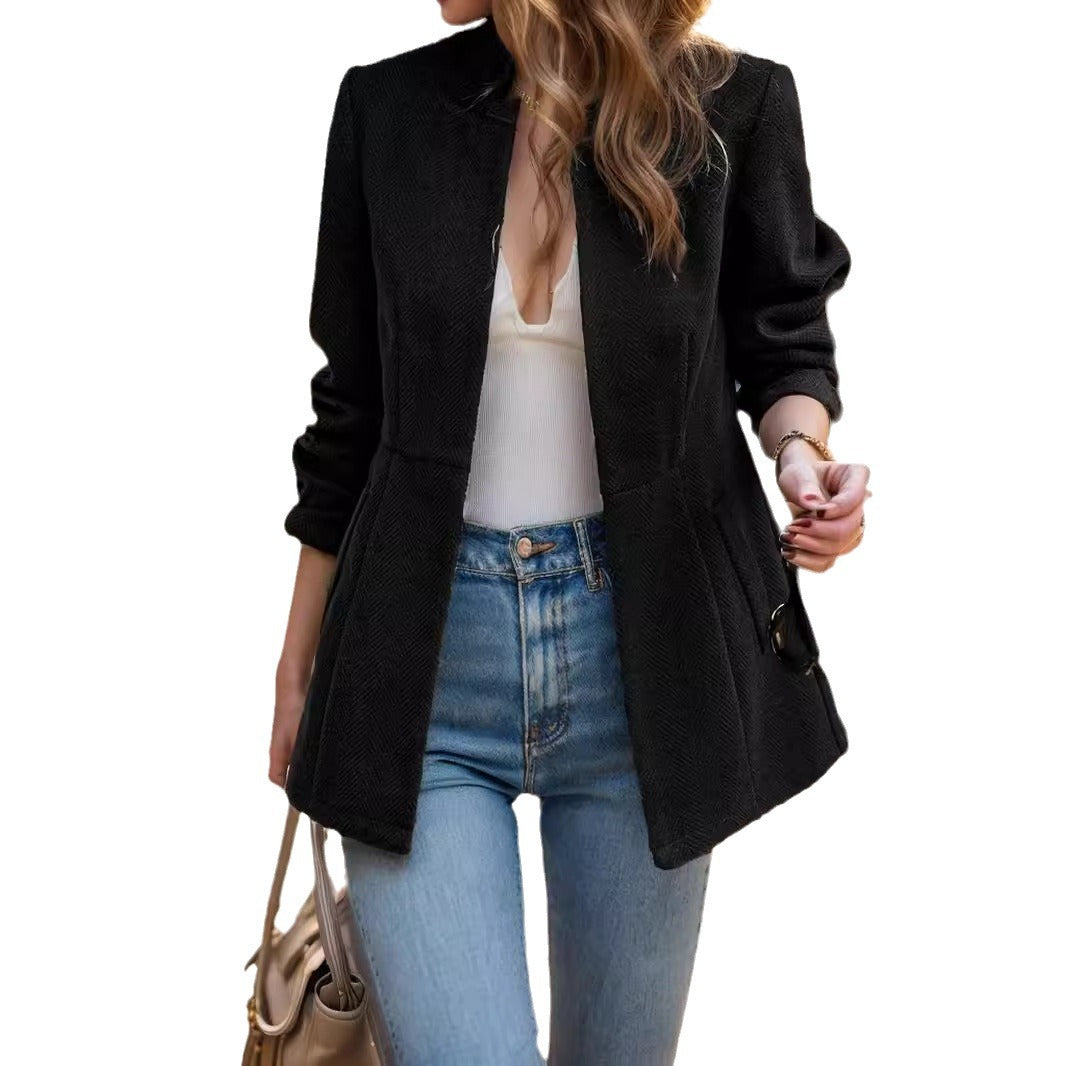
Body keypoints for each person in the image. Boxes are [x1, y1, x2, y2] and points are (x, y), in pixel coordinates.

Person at [270, 3, 871, 1063]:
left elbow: (782, 342)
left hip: (648, 667)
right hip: (421, 666)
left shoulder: (733, 107)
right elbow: (349, 411)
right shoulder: (387, 109)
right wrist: (295, 667)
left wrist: (801, 459)